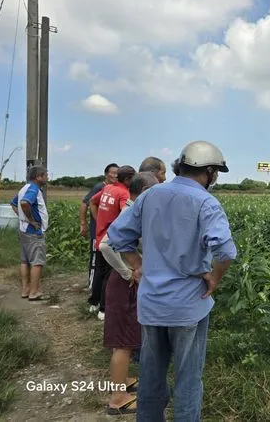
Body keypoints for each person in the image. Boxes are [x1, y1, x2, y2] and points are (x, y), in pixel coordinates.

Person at [107, 141, 237, 421]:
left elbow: (117, 235)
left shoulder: (150, 196)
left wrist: (138, 264)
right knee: (188, 380)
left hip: (152, 304)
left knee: (151, 376)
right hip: (188, 306)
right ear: (210, 171)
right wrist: (214, 278)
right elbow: (225, 251)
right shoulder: (206, 202)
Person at [99, 172, 159, 415]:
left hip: (127, 283)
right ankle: (118, 399)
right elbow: (106, 244)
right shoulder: (131, 211)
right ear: (144, 189)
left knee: (127, 337)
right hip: (124, 284)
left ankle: (122, 383)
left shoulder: (135, 209)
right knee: (123, 343)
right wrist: (130, 271)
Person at [88, 165, 136, 320]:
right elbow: (126, 216)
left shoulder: (108, 188)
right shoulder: (124, 193)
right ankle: (103, 309)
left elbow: (92, 202)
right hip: (111, 241)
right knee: (110, 276)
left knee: (99, 273)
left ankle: (93, 303)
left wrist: (99, 221)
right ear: (128, 179)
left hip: (100, 235)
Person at [10, 166, 49, 301]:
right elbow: (24, 203)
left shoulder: (24, 188)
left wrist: (22, 217)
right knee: (37, 262)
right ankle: (34, 292)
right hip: (32, 231)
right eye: (45, 175)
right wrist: (31, 220)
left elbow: (13, 203)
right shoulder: (33, 189)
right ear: (38, 177)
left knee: (25, 260)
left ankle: (25, 289)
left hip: (23, 228)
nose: (47, 177)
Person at [79, 163, 119, 291]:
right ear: (106, 174)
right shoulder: (100, 187)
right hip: (97, 230)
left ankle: (101, 288)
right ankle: (92, 287)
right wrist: (83, 223)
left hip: (107, 233)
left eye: (117, 173)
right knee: (96, 259)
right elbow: (85, 204)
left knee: (104, 262)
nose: (115, 175)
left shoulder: (113, 189)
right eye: (113, 172)